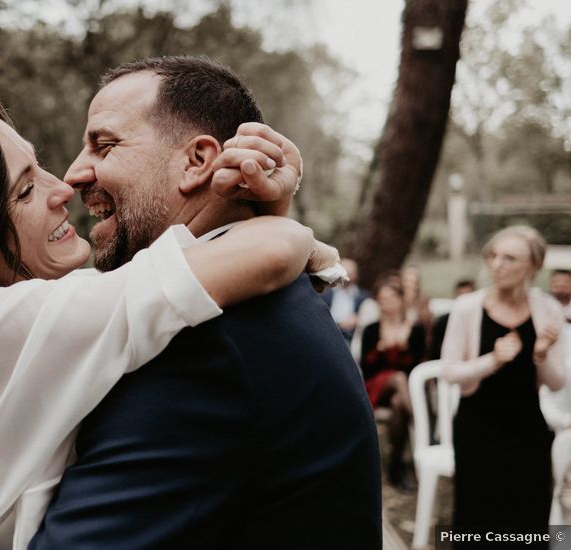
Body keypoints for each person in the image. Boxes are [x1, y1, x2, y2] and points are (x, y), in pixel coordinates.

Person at [0, 92, 345, 548]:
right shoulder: (1, 326)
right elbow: (275, 252)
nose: (63, 188)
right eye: (24, 191)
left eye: (38, 169)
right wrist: (267, 204)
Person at [27, 56, 380, 548]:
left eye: (103, 145)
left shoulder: (201, 342)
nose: (73, 174)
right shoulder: (254, 296)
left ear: (196, 161)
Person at [441, 225, 566, 543]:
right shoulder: (468, 308)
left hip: (528, 430)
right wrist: (492, 361)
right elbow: (450, 371)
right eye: (493, 256)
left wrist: (541, 354)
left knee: (529, 521)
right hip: (477, 428)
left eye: (510, 258)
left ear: (534, 266)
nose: (497, 264)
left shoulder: (547, 309)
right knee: (477, 523)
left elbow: (558, 382)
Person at [360, 274, 426, 487]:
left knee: (399, 403)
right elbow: (366, 369)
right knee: (397, 378)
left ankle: (395, 467)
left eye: (391, 299)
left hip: (404, 392)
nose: (386, 304)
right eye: (382, 300)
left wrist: (404, 346)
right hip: (375, 388)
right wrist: (380, 348)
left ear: (400, 300)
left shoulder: (415, 330)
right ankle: (423, 425)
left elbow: (416, 370)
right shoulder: (372, 329)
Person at [322, 258, 368, 342]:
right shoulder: (325, 294)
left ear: (356, 275)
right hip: (329, 333)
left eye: (350, 272)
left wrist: (359, 318)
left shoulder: (363, 296)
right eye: (344, 271)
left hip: (352, 336)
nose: (347, 275)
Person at [429, 278, 476, 360]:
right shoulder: (442, 323)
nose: (465, 302)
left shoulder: (482, 322)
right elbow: (434, 352)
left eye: (469, 297)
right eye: (462, 297)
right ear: (455, 297)